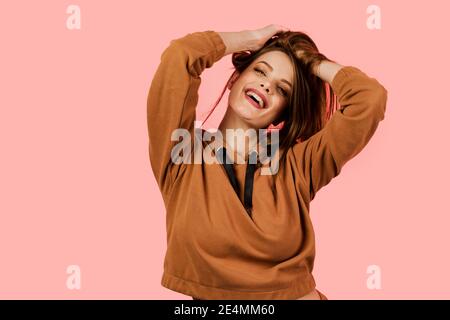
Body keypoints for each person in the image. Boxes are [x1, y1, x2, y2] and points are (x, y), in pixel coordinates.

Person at [147, 24, 388, 300]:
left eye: (282, 89)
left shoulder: (299, 166)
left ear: (281, 114)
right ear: (235, 78)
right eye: (260, 71)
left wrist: (311, 61)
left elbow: (370, 99)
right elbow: (180, 55)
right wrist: (246, 39)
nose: (266, 85)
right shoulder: (182, 156)